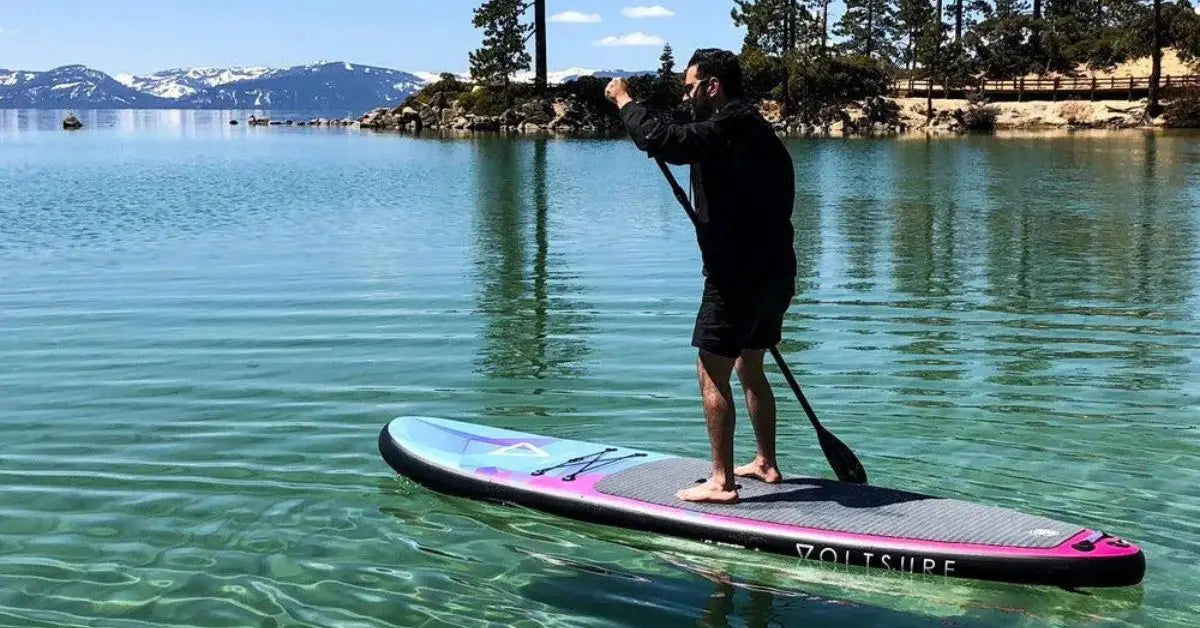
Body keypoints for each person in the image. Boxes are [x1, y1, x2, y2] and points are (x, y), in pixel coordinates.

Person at [604, 49, 797, 504]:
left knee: (712, 370)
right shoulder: (752, 128)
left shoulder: (726, 130)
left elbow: (659, 139)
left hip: (736, 276)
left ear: (713, 86)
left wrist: (624, 100)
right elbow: (676, 131)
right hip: (776, 272)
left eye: (692, 87)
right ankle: (765, 462)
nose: (687, 96)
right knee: (750, 362)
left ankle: (721, 481)